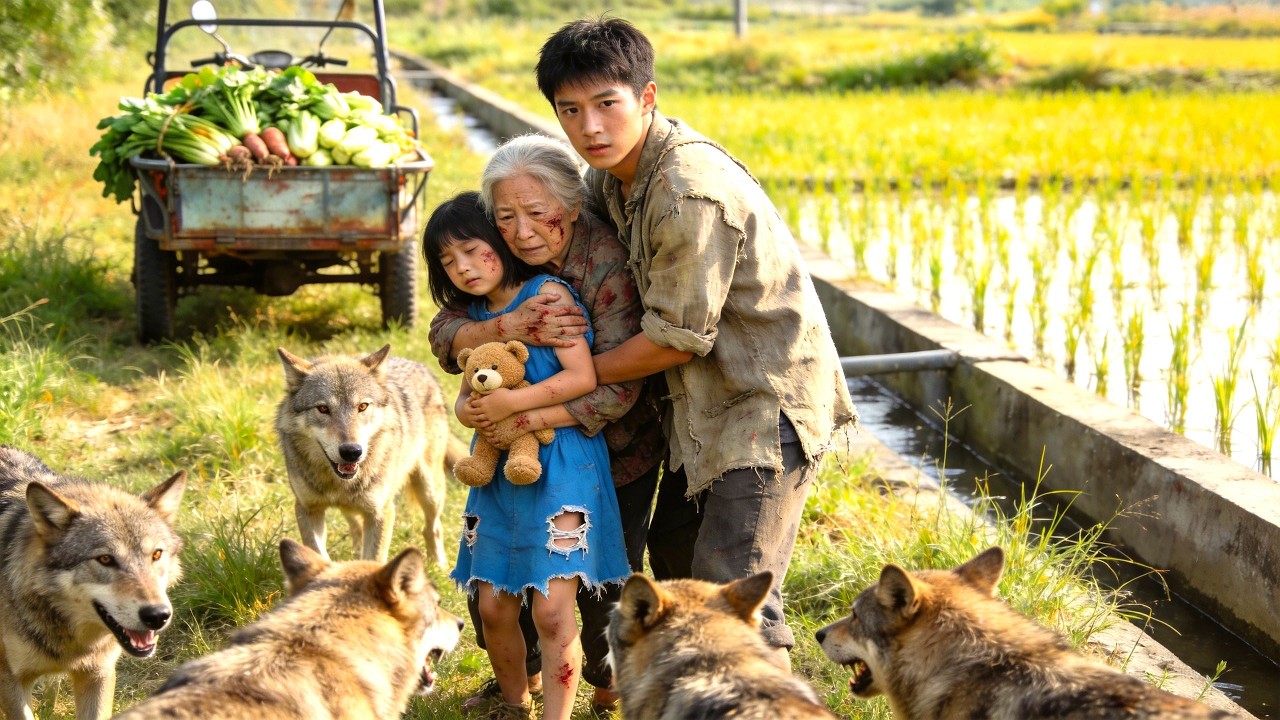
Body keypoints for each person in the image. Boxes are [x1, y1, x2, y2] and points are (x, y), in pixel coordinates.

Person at [533, 18, 860, 665]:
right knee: (679, 566)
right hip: (698, 408)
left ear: (646, 98)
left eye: (607, 104)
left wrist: (568, 378)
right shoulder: (611, 179)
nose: (590, 127)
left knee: (728, 594)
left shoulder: (686, 190)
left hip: (760, 406)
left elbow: (676, 339)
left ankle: (764, 700)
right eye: (570, 111)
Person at [429, 136, 663, 717]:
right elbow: (456, 369)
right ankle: (517, 699)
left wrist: (514, 411)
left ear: (570, 203)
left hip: (582, 457)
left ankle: (604, 689)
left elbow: (599, 381)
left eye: (535, 213)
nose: (523, 230)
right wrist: (475, 403)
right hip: (502, 470)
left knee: (572, 599)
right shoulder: (480, 310)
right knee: (495, 601)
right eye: (507, 218)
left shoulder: (570, 284)